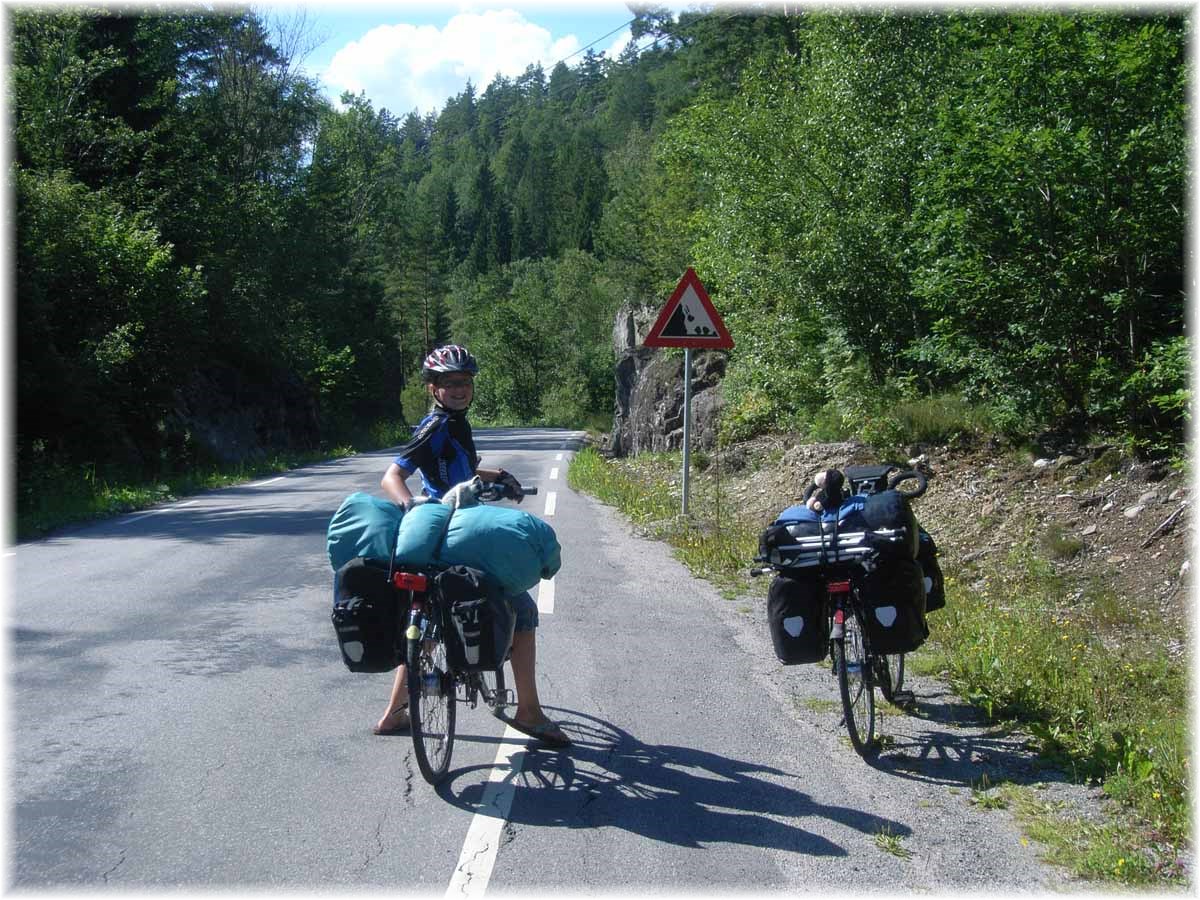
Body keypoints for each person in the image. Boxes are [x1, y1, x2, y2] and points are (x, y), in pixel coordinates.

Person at [374, 344, 571, 747]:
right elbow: (392, 475)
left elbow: (456, 468)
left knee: (428, 615)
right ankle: (529, 712)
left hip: (444, 532)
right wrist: (412, 505)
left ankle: (394, 711)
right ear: (432, 388)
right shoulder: (437, 425)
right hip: (451, 530)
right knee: (523, 609)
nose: (458, 389)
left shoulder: (453, 424)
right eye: (448, 383)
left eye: (463, 382)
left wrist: (496, 474)